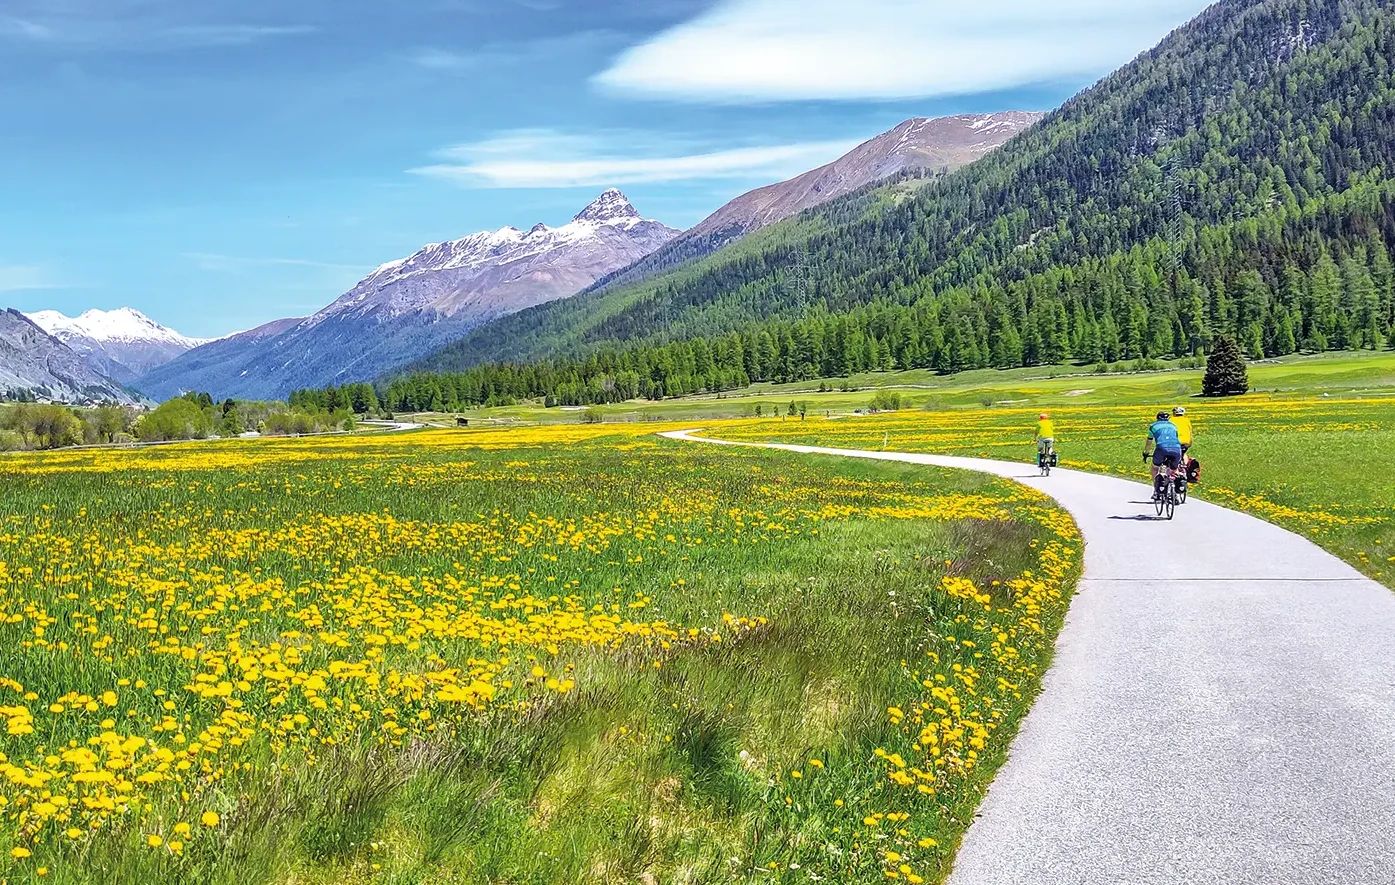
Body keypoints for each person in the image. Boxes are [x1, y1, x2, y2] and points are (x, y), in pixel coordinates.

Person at [1144, 410, 1184, 499]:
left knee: (1155, 468)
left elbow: (1149, 442)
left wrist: (1146, 453)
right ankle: (1175, 494)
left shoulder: (1153, 426)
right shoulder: (1173, 425)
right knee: (1173, 469)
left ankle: (1157, 491)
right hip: (1176, 448)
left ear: (1157, 418)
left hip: (1161, 448)